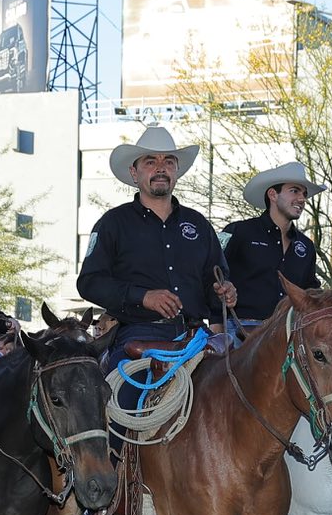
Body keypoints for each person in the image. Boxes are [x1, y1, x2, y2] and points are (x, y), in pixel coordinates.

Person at [78, 124, 236, 363]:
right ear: (135, 173)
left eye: (168, 162)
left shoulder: (199, 224)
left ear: (177, 171)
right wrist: (143, 297)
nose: (161, 168)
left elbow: (215, 280)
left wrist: (225, 292)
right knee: (122, 396)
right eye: (150, 162)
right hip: (138, 336)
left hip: (195, 337)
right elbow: (89, 283)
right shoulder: (113, 223)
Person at [222, 160, 322, 325]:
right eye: (294, 191)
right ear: (273, 195)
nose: (302, 199)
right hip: (242, 332)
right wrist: (217, 325)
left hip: (289, 334)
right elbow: (213, 275)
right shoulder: (238, 231)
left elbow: (310, 292)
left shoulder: (306, 246)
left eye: (304, 194)